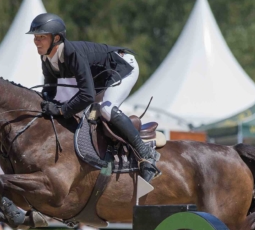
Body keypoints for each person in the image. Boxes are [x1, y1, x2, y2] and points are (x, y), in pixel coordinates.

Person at [28, 12, 159, 182]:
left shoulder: (72, 54)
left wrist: (61, 110)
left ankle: (145, 153)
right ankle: (107, 163)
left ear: (56, 38)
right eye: (35, 37)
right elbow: (49, 91)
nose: (36, 41)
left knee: (105, 109)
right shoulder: (46, 57)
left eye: (41, 37)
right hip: (101, 78)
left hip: (122, 68)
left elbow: (87, 95)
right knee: (89, 116)